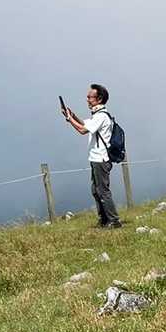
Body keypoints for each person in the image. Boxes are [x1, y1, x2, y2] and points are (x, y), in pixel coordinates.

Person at [62, 84, 122, 228]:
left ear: (99, 99)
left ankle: (114, 221)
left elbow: (83, 130)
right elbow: (85, 124)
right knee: (96, 190)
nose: (87, 99)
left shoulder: (101, 116)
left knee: (103, 191)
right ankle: (104, 219)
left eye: (90, 97)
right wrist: (72, 115)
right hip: (96, 158)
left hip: (100, 159)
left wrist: (70, 120)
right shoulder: (98, 115)